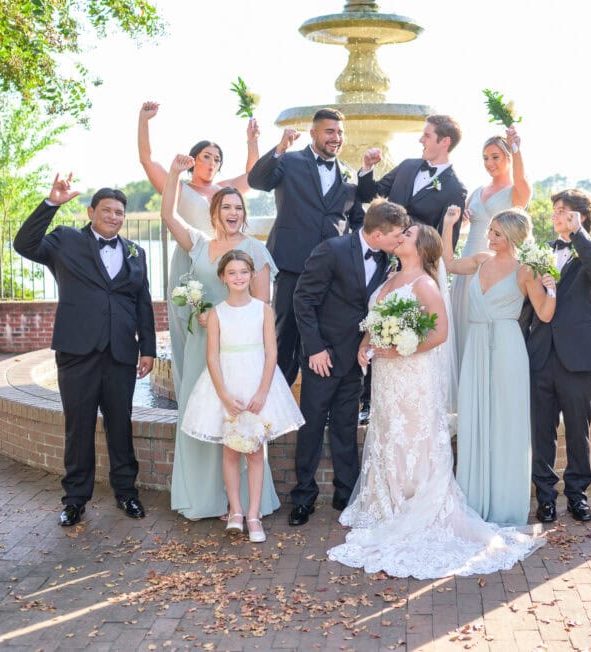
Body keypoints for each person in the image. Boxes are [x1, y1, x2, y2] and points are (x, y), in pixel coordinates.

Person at [327, 224, 544, 579]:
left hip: (413, 375)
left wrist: (397, 349)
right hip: (387, 377)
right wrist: (366, 343)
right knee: (387, 435)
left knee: (413, 437)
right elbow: (376, 318)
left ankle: (417, 503)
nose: (400, 238)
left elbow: (440, 333)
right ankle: (390, 502)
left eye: (408, 235)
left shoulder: (425, 284)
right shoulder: (390, 276)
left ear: (423, 247)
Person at [14, 175, 156, 527]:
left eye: (119, 212)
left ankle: (127, 493)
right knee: (78, 427)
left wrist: (148, 350)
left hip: (121, 352)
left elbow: (143, 304)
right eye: (106, 210)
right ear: (91, 211)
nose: (113, 216)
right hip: (77, 351)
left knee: (121, 425)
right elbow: (24, 244)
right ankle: (75, 500)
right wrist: (51, 204)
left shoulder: (136, 253)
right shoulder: (65, 240)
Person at [160, 156, 283, 520]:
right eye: (226, 206)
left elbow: (262, 309)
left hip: (238, 352)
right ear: (215, 212)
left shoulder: (256, 252)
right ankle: (203, 499)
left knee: (238, 418)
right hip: (202, 347)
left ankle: (243, 504)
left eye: (238, 207)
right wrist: (173, 174)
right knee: (201, 417)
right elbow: (169, 216)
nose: (232, 212)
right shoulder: (198, 244)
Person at [287, 199, 409, 526]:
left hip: (357, 358)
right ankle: (303, 497)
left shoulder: (388, 261)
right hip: (322, 357)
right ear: (379, 233)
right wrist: (314, 349)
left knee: (345, 425)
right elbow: (303, 299)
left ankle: (346, 494)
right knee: (312, 426)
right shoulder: (332, 250)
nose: (401, 240)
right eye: (397, 235)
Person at [136, 102, 260, 408]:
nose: (213, 162)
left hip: (224, 262)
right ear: (193, 160)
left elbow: (253, 176)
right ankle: (192, 397)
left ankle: (225, 393)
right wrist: (144, 121)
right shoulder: (177, 185)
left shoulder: (224, 191)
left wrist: (252, 141)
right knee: (189, 329)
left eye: (217, 158)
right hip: (190, 260)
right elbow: (146, 159)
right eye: (207, 156)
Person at [179, 250, 305, 542]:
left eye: (243, 272)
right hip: (227, 385)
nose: (238, 277)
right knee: (231, 451)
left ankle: (254, 515)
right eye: (232, 273)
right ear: (223, 277)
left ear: (251, 275)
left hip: (257, 383)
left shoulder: (263, 310)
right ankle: (235, 511)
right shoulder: (216, 314)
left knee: (256, 451)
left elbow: (272, 352)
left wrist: (263, 391)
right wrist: (223, 395)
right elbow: (212, 357)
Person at [442, 206, 556, 526]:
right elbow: (449, 263)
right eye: (490, 231)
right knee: (475, 415)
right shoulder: (480, 261)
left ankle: (505, 502)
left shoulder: (526, 271)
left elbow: (545, 314)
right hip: (477, 344)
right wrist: (450, 225)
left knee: (507, 421)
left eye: (497, 233)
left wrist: (553, 288)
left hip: (508, 347)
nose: (490, 237)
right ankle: (475, 499)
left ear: (513, 237)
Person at [248, 108, 365, 386]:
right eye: (330, 131)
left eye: (340, 132)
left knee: (321, 337)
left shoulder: (349, 174)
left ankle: (313, 410)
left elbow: (357, 220)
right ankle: (275, 401)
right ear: (313, 134)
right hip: (291, 264)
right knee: (284, 334)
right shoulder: (289, 161)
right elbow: (257, 181)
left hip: (331, 272)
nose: (336, 137)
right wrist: (279, 147)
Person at [520, 189, 591, 524]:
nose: (556, 215)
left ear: (581, 216)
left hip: (578, 355)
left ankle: (577, 495)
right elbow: (527, 305)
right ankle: (545, 498)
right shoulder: (540, 252)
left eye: (563, 211)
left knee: (578, 430)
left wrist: (579, 235)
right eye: (555, 211)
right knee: (541, 430)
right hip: (541, 353)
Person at [449, 128, 531, 360]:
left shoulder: (515, 192)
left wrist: (517, 149)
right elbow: (463, 228)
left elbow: (522, 179)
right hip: (466, 263)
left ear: (508, 158)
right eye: (485, 157)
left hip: (496, 267)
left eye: (495, 157)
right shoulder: (476, 191)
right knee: (463, 319)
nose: (489, 162)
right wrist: (462, 219)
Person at [357, 114, 468, 250]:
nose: (421, 140)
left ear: (445, 141)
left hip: (416, 263)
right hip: (381, 256)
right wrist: (367, 167)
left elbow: (447, 242)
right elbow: (369, 196)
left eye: (427, 136)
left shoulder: (455, 189)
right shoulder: (406, 166)